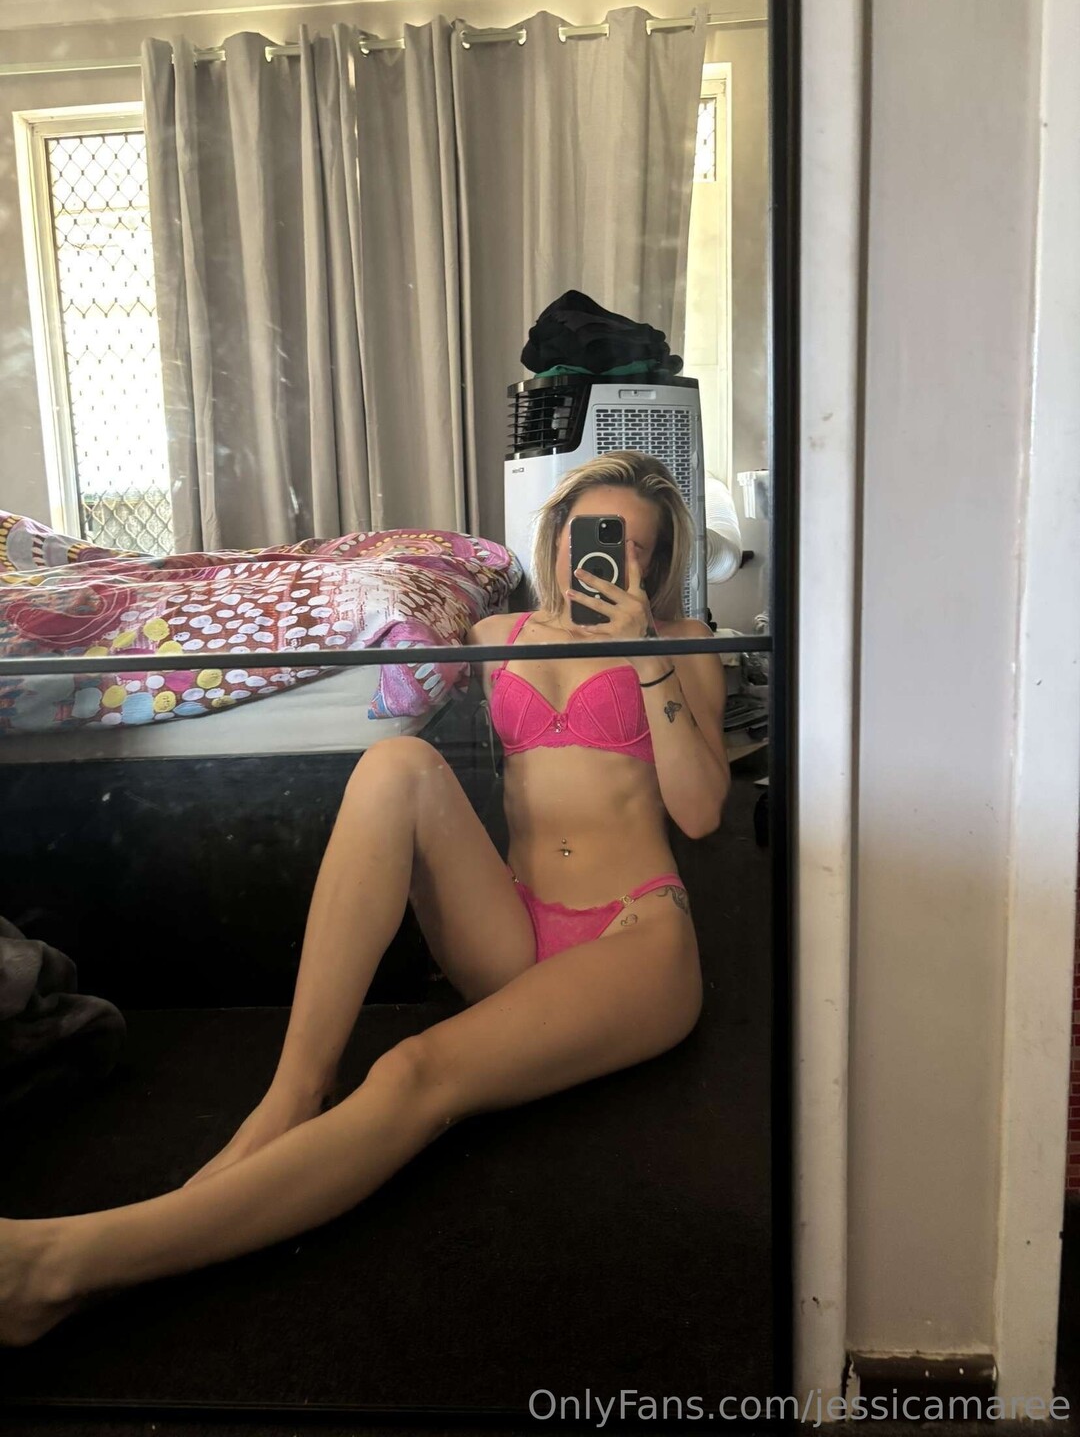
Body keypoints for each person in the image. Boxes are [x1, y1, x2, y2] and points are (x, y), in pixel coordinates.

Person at [0, 450, 730, 1348]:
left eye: (635, 548)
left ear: (654, 565)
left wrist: (647, 656)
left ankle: (60, 1266)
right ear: (557, 536)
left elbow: (702, 812)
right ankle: (294, 1092)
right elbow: (388, 616)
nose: (610, 560)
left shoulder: (682, 641)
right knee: (394, 766)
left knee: (412, 1074)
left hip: (634, 935)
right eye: (592, 536)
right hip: (514, 926)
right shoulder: (497, 634)